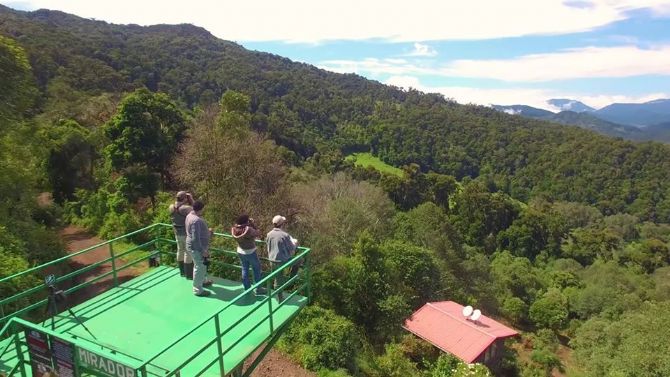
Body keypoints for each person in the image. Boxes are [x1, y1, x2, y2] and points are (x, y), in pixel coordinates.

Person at [185, 200, 213, 297]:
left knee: (200, 266)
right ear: (201, 209)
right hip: (197, 248)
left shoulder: (189, 216)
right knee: (199, 266)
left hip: (193, 246)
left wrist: (207, 232)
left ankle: (203, 281)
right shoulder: (196, 220)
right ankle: (197, 290)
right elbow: (195, 238)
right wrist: (203, 251)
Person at [265, 215, 296, 301]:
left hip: (271, 259)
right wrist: (294, 243)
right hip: (282, 260)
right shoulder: (284, 235)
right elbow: (292, 248)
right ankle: (291, 280)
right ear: (282, 224)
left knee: (277, 277)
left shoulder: (269, 234)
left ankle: (279, 294)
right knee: (299, 260)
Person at [231, 214, 264, 294]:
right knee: (256, 269)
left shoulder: (234, 229)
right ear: (245, 221)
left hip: (240, 251)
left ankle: (247, 288)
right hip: (250, 251)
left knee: (244, 269)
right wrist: (253, 224)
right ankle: (258, 289)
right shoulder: (248, 229)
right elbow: (257, 233)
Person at [169, 191, 193, 278]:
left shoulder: (171, 207)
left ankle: (182, 271)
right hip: (185, 233)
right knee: (188, 252)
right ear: (185, 198)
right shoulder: (185, 208)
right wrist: (191, 199)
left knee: (180, 250)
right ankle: (188, 274)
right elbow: (196, 211)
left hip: (177, 232)